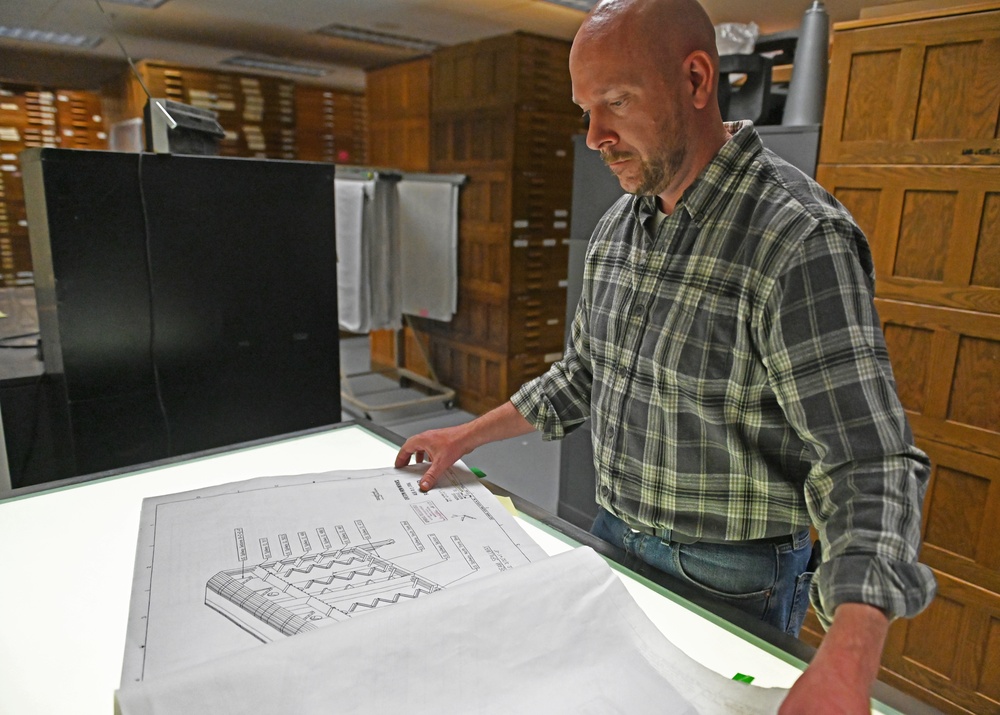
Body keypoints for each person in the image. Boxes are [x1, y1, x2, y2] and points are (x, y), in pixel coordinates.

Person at [395, 0, 936, 711]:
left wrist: (847, 661)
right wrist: (464, 435)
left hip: (730, 572)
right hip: (612, 532)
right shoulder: (620, 225)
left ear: (695, 79)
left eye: (614, 102)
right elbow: (582, 375)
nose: (594, 136)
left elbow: (868, 462)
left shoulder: (797, 238)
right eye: (585, 109)